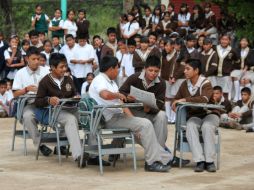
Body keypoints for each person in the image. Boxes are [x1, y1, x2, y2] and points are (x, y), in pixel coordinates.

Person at [89, 55, 172, 172]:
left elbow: (121, 105)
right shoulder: (100, 79)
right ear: (111, 68)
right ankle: (155, 161)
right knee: (145, 125)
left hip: (121, 114)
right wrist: (119, 95)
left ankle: (160, 157)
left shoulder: (111, 82)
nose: (118, 71)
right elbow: (105, 95)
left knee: (146, 125)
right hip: (108, 118)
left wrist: (134, 122)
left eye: (156, 71)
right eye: (117, 68)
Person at [34, 53, 86, 167]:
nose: (64, 69)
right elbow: (37, 101)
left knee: (88, 116)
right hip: (55, 112)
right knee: (70, 119)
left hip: (70, 108)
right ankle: (79, 155)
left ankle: (93, 153)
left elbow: (74, 93)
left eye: (65, 66)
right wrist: (48, 100)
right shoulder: (45, 81)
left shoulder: (68, 79)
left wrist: (76, 96)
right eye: (61, 67)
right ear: (52, 67)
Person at [172, 58, 217, 172]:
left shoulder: (205, 82)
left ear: (196, 70)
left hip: (210, 114)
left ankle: (210, 161)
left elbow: (205, 99)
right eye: (185, 69)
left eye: (188, 69)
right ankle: (199, 161)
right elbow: (176, 99)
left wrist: (185, 99)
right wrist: (175, 104)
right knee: (190, 126)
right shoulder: (184, 83)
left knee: (207, 127)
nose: (185, 71)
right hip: (195, 115)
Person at [12, 47, 50, 156]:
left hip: (45, 103)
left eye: (38, 59)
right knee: (28, 116)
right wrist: (26, 89)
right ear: (27, 59)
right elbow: (15, 94)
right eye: (33, 59)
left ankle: (61, 145)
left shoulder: (46, 70)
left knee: (62, 113)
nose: (37, 62)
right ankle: (40, 144)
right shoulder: (20, 73)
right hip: (30, 104)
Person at [214, 33, 240, 100]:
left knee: (225, 93)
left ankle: (226, 106)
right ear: (220, 40)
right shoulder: (215, 48)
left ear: (229, 41)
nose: (224, 41)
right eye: (222, 39)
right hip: (215, 74)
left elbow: (237, 62)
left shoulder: (232, 51)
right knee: (215, 92)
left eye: (226, 40)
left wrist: (232, 71)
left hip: (226, 75)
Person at [231, 37, 254, 101]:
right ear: (240, 42)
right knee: (235, 77)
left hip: (248, 70)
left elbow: (252, 62)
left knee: (245, 80)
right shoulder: (237, 50)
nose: (243, 42)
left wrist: (246, 67)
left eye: (245, 41)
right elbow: (235, 61)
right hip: (239, 70)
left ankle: (247, 97)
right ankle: (237, 95)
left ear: (248, 43)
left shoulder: (251, 51)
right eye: (242, 41)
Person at [160, 38, 177, 123]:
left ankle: (173, 118)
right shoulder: (164, 55)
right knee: (167, 98)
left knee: (173, 97)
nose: (166, 47)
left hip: (174, 80)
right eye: (165, 45)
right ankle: (167, 117)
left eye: (167, 45)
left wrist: (173, 77)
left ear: (173, 46)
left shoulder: (176, 55)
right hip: (165, 79)